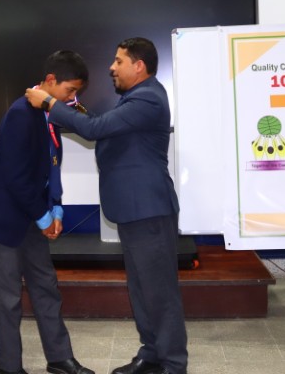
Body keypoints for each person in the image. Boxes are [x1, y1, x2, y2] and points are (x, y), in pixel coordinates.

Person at [26, 38, 188, 374]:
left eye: (119, 61)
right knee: (141, 289)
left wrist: (49, 103)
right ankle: (152, 355)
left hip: (148, 210)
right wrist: (71, 108)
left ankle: (173, 364)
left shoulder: (148, 98)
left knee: (159, 292)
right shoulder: (134, 98)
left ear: (138, 66)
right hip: (134, 210)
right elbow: (100, 123)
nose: (111, 67)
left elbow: (94, 129)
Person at [0, 50, 94, 374]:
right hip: (7, 221)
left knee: (46, 288)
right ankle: (8, 367)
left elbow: (53, 165)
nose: (72, 99)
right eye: (70, 90)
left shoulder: (50, 114)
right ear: (51, 80)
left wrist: (57, 208)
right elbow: (14, 177)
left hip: (35, 215)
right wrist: (44, 217)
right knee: (8, 298)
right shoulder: (20, 113)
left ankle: (59, 359)